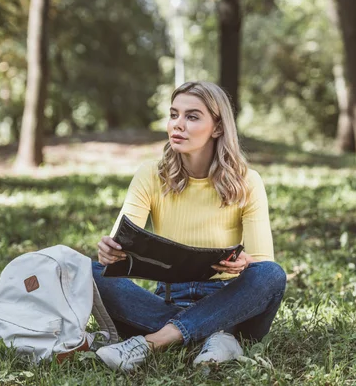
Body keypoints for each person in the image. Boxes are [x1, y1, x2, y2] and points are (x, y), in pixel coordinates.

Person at [92, 81, 286, 371]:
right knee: (90, 271)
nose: (177, 125)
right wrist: (109, 252)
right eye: (174, 115)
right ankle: (216, 338)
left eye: (192, 117)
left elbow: (261, 264)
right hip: (167, 302)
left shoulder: (248, 181)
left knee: (271, 274)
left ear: (218, 128)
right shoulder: (150, 174)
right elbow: (121, 244)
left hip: (230, 304)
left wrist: (245, 264)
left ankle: (153, 342)